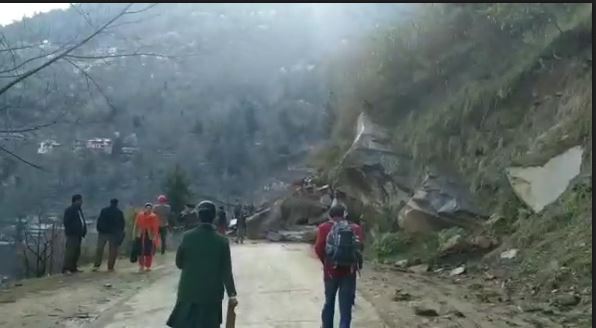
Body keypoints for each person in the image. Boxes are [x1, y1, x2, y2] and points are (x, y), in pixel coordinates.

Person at [167, 200, 238, 328]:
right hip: (211, 296)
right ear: (214, 217)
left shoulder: (187, 237)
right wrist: (232, 294)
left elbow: (179, 263)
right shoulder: (222, 241)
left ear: (198, 216)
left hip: (188, 292)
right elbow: (226, 271)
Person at [314, 204, 364, 328]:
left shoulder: (323, 228)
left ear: (329, 215)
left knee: (329, 302)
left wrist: (326, 262)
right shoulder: (355, 228)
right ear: (345, 214)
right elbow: (360, 247)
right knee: (346, 306)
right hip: (349, 272)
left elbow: (319, 248)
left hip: (330, 272)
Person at [93, 198, 125, 272]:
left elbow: (99, 220)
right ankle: (110, 267)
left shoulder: (104, 210)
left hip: (103, 233)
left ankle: (96, 265)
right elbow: (122, 224)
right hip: (113, 234)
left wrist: (99, 229)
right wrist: (119, 233)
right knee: (113, 251)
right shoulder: (119, 212)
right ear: (117, 204)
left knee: (99, 249)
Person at [62, 194, 87, 275]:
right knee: (70, 251)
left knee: (76, 252)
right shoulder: (70, 210)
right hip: (72, 234)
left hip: (79, 234)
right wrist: (72, 230)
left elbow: (81, 221)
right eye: (80, 200)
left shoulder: (79, 210)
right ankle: (66, 268)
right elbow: (66, 222)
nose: (81, 202)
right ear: (75, 201)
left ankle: (73, 267)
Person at [134, 203, 161, 272]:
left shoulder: (153, 216)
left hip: (149, 235)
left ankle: (148, 266)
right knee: (140, 251)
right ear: (145, 208)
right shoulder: (140, 215)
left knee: (148, 251)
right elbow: (136, 225)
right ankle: (141, 265)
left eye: (150, 208)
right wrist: (134, 234)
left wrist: (155, 236)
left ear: (151, 209)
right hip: (140, 234)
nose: (148, 209)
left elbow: (155, 227)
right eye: (147, 208)